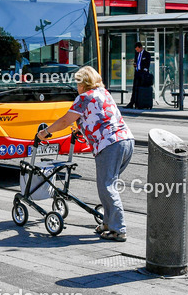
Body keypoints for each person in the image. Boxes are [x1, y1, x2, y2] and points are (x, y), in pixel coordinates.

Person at [37, 65, 134, 242]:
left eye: (77, 83)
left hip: (110, 144)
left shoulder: (84, 97)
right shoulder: (104, 93)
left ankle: (118, 229)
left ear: (83, 83)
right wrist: (81, 131)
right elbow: (101, 118)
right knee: (107, 185)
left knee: (107, 186)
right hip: (127, 141)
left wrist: (45, 132)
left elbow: (66, 120)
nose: (76, 86)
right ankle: (107, 223)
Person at [128, 42, 152, 109]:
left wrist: (144, 72)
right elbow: (136, 61)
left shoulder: (147, 54)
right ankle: (132, 103)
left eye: (138, 49)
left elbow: (147, 64)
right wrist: (135, 65)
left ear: (141, 47)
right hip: (137, 72)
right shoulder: (136, 54)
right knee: (134, 88)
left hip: (143, 74)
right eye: (136, 50)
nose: (137, 51)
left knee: (141, 89)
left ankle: (139, 103)